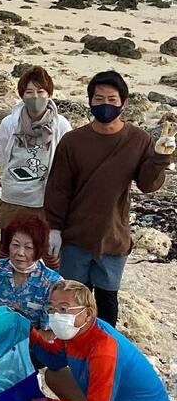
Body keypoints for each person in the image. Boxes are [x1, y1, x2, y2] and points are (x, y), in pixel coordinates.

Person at [44, 71, 174, 326]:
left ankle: (103, 354)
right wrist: (55, 229)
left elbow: (148, 185)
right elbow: (58, 189)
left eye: (112, 100)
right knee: (71, 302)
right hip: (76, 237)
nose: (105, 105)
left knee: (107, 303)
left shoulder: (138, 139)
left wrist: (160, 156)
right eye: (99, 98)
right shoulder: (73, 141)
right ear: (90, 101)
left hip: (113, 237)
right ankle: (70, 354)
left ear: (124, 103)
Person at [30, 280, 175, 401]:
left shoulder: (103, 349)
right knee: (55, 376)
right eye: (52, 309)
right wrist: (33, 337)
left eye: (64, 309)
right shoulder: (78, 330)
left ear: (88, 313)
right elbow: (54, 362)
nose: (56, 316)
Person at [0, 66, 72, 242]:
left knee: (48, 254)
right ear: (22, 95)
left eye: (41, 91)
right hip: (13, 199)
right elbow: (3, 157)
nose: (35, 97)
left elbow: (66, 162)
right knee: (9, 250)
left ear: (49, 94)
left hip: (45, 201)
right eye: (29, 92)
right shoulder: (9, 124)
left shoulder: (60, 125)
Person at [0, 215, 62, 330]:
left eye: (28, 247)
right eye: (15, 245)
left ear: (39, 249)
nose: (20, 252)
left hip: (30, 344)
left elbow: (49, 333)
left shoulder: (52, 284)